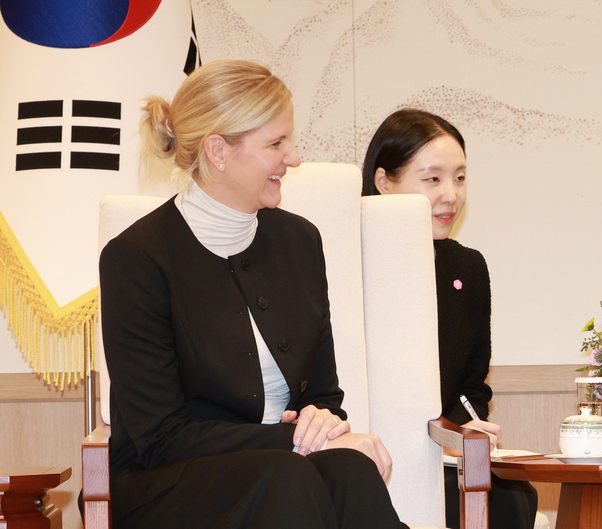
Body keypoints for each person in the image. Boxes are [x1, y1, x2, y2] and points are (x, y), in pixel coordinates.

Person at [100, 60, 402, 529]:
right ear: (218, 151)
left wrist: (321, 423)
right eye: (277, 143)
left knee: (351, 470)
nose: (294, 158)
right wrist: (298, 442)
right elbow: (161, 437)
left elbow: (323, 395)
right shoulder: (136, 259)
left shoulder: (300, 242)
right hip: (168, 483)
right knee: (288, 476)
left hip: (283, 473)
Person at [361, 109, 538, 529]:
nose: (451, 195)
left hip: (440, 450)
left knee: (513, 494)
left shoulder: (467, 268)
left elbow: (470, 387)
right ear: (385, 182)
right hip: (364, 452)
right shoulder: (346, 262)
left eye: (459, 178)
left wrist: (468, 428)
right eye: (433, 178)